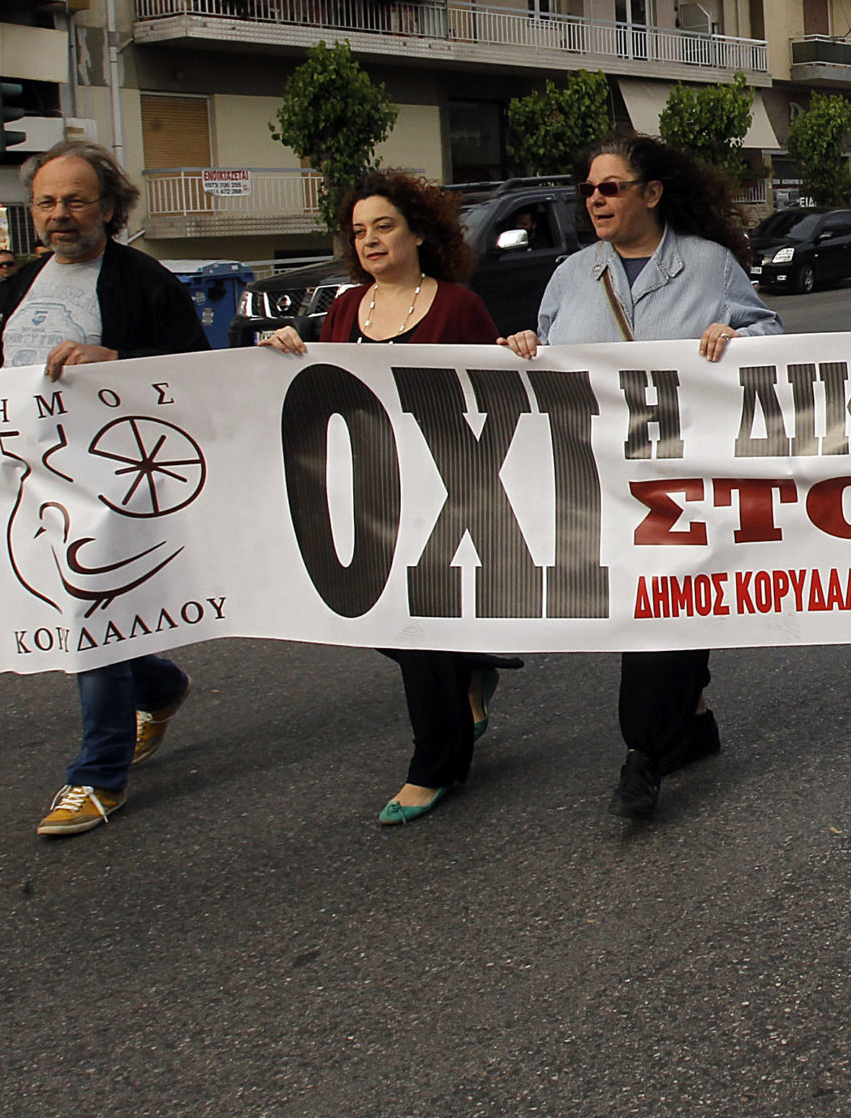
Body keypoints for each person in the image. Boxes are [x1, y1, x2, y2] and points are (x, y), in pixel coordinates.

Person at [0, 142, 210, 837]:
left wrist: (118, 361)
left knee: (87, 616)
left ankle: (97, 773)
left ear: (108, 208)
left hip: (116, 483)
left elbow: (203, 373)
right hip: (35, 479)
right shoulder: (19, 285)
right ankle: (160, 686)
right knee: (82, 610)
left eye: (76, 200)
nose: (60, 214)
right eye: (48, 201)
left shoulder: (144, 282)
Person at [499, 134, 781, 821]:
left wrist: (739, 339)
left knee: (660, 607)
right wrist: (523, 349)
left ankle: (644, 752)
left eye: (611, 187)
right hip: (601, 479)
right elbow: (547, 355)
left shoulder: (708, 264)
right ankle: (694, 721)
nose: (595, 199)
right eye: (589, 190)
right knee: (654, 603)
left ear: (651, 194)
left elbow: (772, 333)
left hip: (684, 476)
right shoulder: (571, 274)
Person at [260, 171, 514, 825]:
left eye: (384, 226)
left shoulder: (456, 305)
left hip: (445, 492)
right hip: (372, 492)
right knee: (372, 615)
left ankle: (436, 765)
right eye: (359, 230)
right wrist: (286, 351)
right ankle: (470, 667)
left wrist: (518, 349)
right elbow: (325, 384)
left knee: (417, 620)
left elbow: (499, 391)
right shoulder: (347, 309)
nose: (370, 240)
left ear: (419, 232)